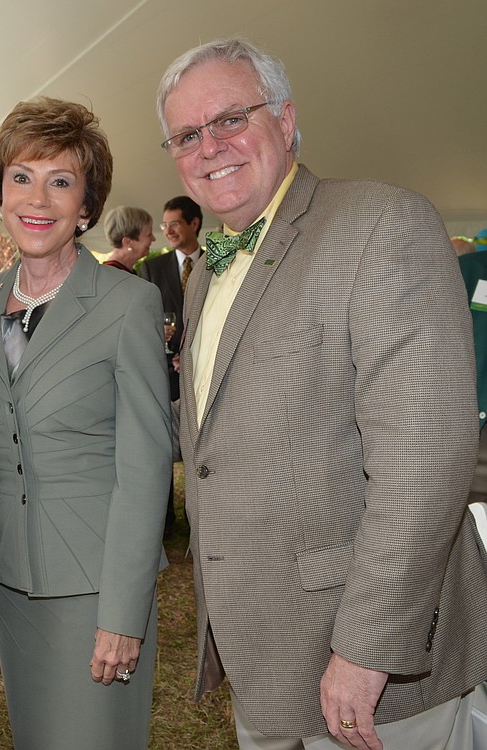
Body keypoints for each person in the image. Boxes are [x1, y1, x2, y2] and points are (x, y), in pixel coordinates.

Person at [157, 37, 487, 750]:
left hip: (373, 674)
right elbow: (218, 431)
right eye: (187, 134)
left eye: (230, 119)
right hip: (266, 661)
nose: (210, 147)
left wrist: (369, 644)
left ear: (285, 118)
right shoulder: (204, 275)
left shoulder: (378, 222)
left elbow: (426, 456)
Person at [0, 96, 171, 749]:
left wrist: (123, 612)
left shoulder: (127, 303)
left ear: (86, 206)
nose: (38, 198)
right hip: (15, 581)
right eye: (22, 177)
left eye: (61, 182)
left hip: (95, 586)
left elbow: (145, 471)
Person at [139, 195, 203, 534]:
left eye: (175, 223)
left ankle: (200, 515)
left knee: (200, 442)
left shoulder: (216, 262)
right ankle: (163, 521)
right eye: (165, 225)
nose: (168, 231)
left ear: (194, 223)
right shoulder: (152, 267)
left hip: (202, 371)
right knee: (160, 442)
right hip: (162, 371)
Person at [102, 205, 155, 272]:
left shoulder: (122, 271)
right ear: (128, 242)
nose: (153, 239)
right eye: (149, 234)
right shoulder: (112, 274)